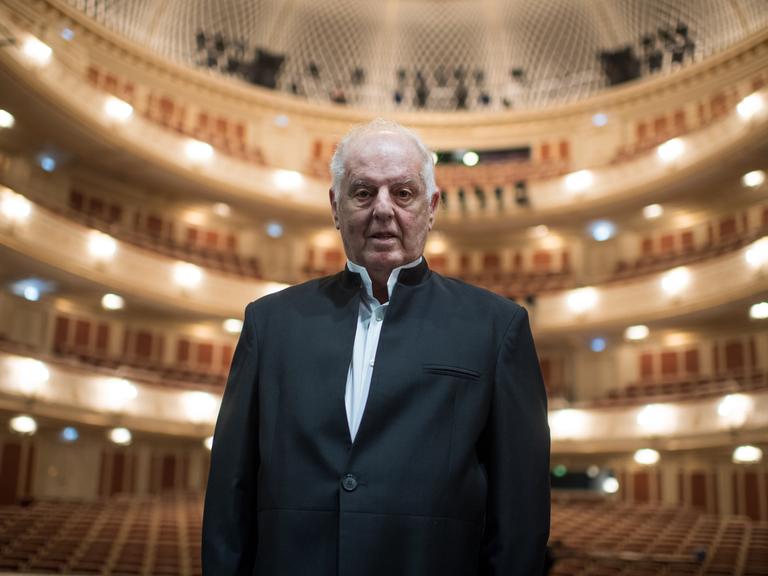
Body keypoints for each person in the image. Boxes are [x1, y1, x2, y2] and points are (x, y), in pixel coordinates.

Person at [202, 119, 550, 575]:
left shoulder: (497, 327)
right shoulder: (269, 323)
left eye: (403, 193)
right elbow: (231, 492)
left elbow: (519, 517)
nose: (383, 210)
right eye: (363, 192)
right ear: (335, 206)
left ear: (432, 207)